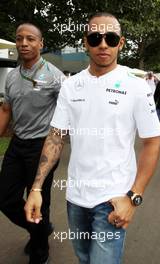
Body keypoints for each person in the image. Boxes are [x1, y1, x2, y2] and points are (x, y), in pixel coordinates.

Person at [25, 13, 160, 264]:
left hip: (112, 200)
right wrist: (36, 188)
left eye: (110, 38)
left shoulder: (137, 87)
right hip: (75, 198)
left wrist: (133, 197)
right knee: (84, 258)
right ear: (86, 42)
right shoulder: (70, 85)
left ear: (120, 43)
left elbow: (152, 142)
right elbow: (56, 136)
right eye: (95, 37)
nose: (103, 44)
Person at [0, 23, 64, 264]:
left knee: (39, 201)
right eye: (19, 39)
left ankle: (40, 251)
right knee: (5, 198)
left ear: (40, 43)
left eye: (30, 39)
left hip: (42, 147)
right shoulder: (13, 76)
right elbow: (6, 109)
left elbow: (66, 114)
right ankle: (41, 229)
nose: (24, 43)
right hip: (17, 145)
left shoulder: (55, 76)